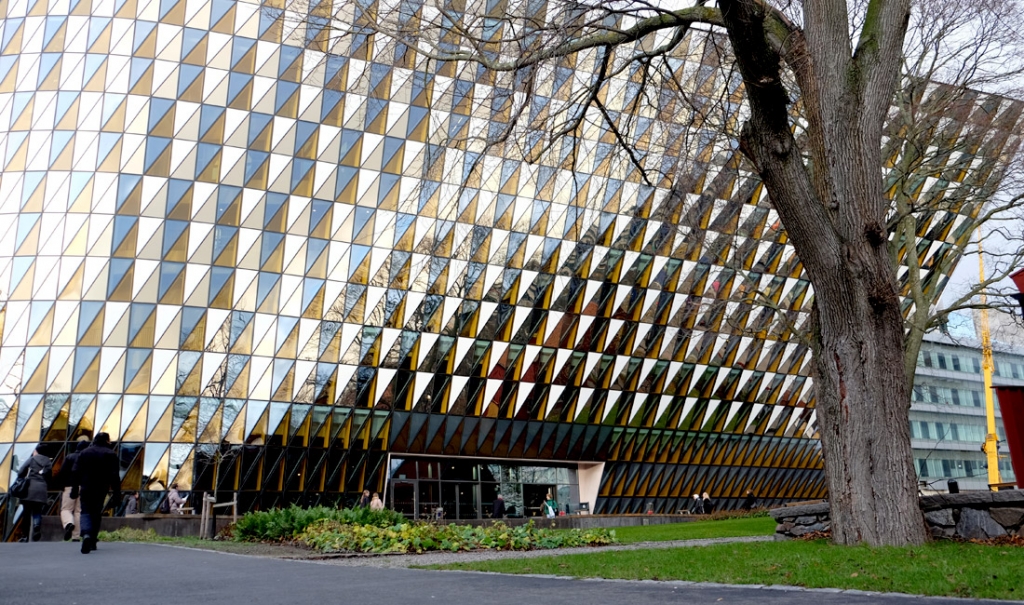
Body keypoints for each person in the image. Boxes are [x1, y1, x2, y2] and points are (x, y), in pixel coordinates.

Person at [72, 432, 120, 554]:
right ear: (107, 441)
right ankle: (93, 540)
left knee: (86, 511)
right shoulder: (111, 454)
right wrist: (116, 494)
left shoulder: (84, 453)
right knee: (96, 512)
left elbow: (76, 471)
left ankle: (86, 534)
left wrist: (74, 489)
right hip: (101, 488)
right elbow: (115, 476)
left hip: (86, 487)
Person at [16, 445, 52, 542]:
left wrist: (22, 477)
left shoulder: (32, 459)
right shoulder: (48, 462)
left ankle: (25, 536)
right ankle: (36, 525)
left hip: (29, 489)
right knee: (37, 511)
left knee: (26, 513)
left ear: (37, 451)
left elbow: (21, 471)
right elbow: (49, 476)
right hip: (41, 489)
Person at [56, 439, 89, 541]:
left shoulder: (69, 457)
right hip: (83, 487)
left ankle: (69, 524)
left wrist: (62, 486)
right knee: (79, 512)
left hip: (69, 486)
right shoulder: (87, 458)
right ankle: (76, 537)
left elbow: (62, 473)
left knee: (66, 509)